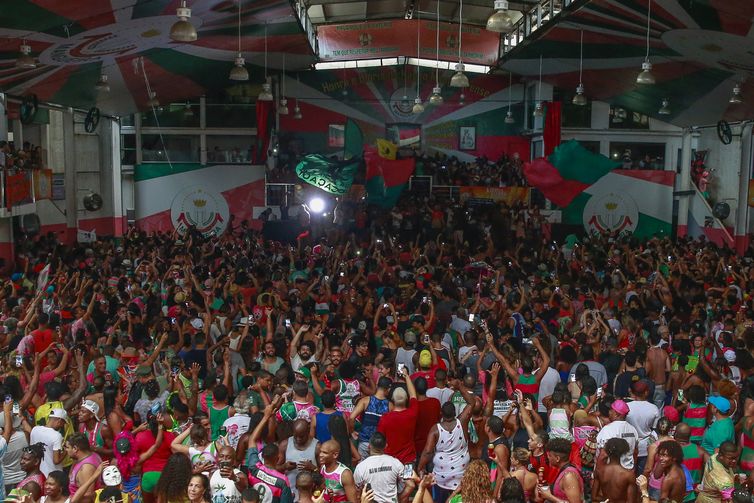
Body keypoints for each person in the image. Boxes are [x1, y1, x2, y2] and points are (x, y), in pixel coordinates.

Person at [418, 401, 471, 503]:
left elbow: (428, 452)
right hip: (461, 476)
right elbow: (471, 403)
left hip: (441, 477)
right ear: (455, 413)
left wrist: (420, 466)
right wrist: (459, 386)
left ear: (441, 413)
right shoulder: (462, 423)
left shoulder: (435, 430)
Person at [376, 368, 418, 464]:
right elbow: (413, 395)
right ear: (406, 399)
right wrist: (406, 376)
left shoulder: (385, 418)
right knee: (409, 479)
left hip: (390, 462)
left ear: (392, 400)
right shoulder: (412, 413)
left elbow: (380, 440)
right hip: (409, 460)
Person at [353, 433, 410, 503]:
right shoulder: (396, 462)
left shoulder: (361, 467)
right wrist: (400, 499)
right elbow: (411, 484)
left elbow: (356, 492)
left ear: (369, 446)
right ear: (386, 446)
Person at [596, 399, 638, 471]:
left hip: (611, 473)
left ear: (617, 414)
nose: (609, 412)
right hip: (627, 471)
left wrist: (597, 474)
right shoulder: (633, 430)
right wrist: (633, 470)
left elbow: (603, 455)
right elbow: (635, 452)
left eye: (611, 410)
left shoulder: (608, 429)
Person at [537, 438, 583, 503]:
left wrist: (549, 496)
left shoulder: (569, 476)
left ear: (557, 458)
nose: (548, 458)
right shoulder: (563, 470)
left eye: (550, 455)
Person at [592, 438, 637, 503]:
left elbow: (594, 497)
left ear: (607, 451)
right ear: (623, 451)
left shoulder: (599, 471)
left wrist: (607, 500)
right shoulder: (628, 475)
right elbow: (631, 501)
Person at [65, 433, 103, 503]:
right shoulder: (84, 456)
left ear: (75, 449)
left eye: (67, 447)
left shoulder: (86, 468)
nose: (65, 450)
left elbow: (87, 498)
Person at [30, 409, 66, 477]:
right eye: (63, 423)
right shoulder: (57, 435)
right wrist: (66, 452)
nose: (62, 426)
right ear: (59, 421)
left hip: (37, 473)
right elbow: (56, 461)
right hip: (52, 474)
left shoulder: (35, 429)